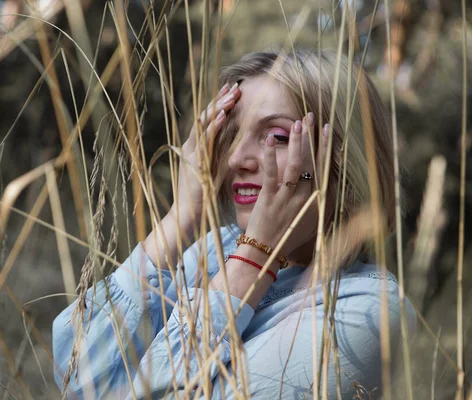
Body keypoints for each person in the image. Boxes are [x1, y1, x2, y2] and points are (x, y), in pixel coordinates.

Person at [52, 49, 417, 399]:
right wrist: (181, 217)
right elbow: (79, 378)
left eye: (276, 136)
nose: (238, 158)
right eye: (231, 133)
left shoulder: (370, 312)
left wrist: (255, 258)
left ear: (343, 158)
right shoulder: (218, 246)